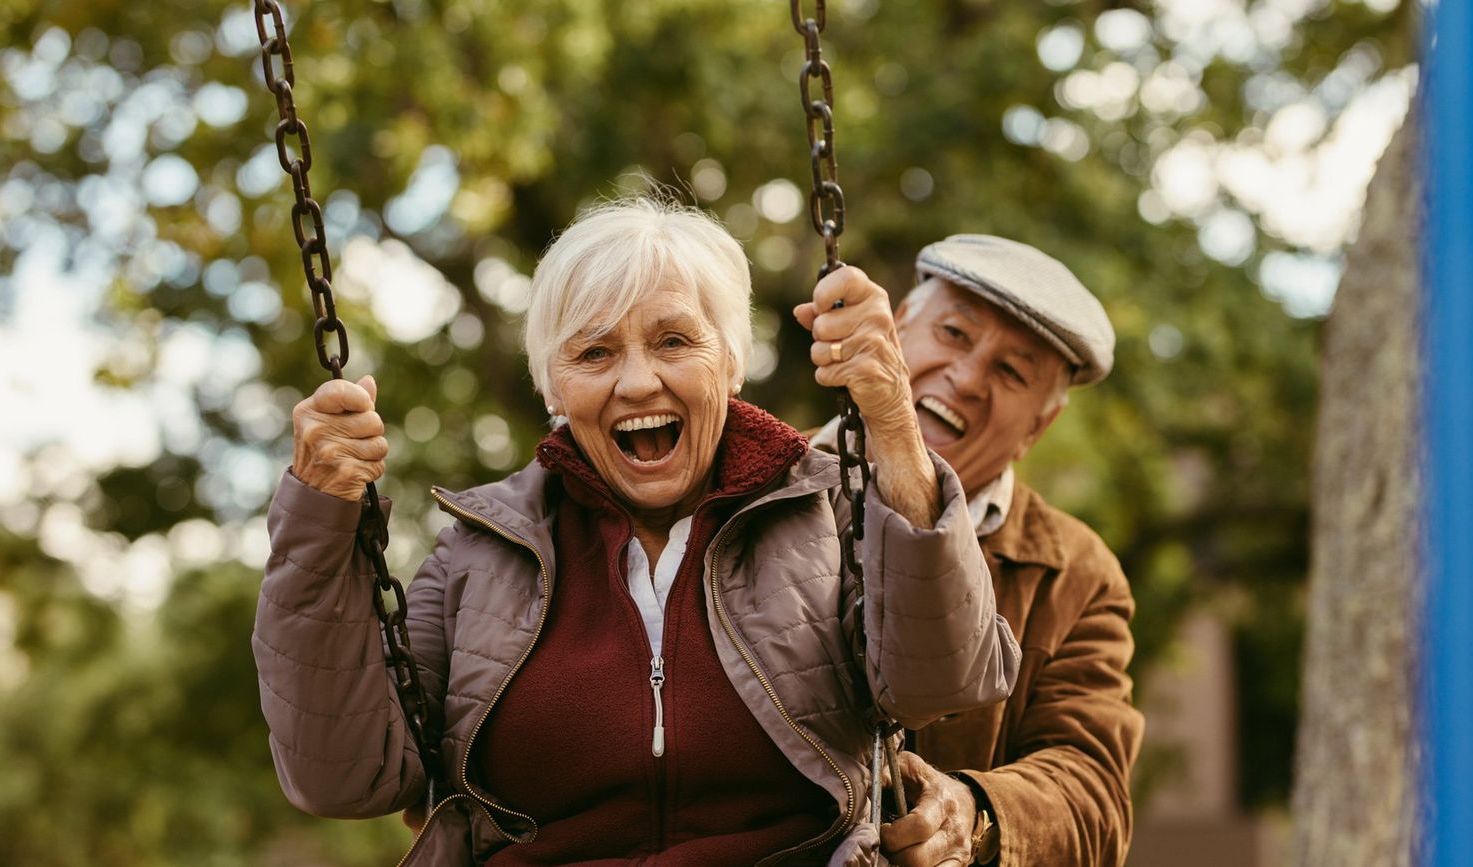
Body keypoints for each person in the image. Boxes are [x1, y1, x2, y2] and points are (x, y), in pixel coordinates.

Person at [252, 199, 1019, 866]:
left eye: (675, 341)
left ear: (731, 362)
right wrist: (320, 516)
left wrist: (891, 423)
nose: (638, 381)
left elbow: (942, 684)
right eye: (594, 351)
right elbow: (344, 776)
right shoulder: (478, 552)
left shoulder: (825, 512)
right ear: (554, 384)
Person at [803, 235, 1143, 866]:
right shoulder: (752, 485)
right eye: (955, 334)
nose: (966, 378)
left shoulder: (1078, 574)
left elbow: (1094, 794)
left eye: (1012, 371)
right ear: (897, 324)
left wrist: (975, 811)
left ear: (1040, 426)